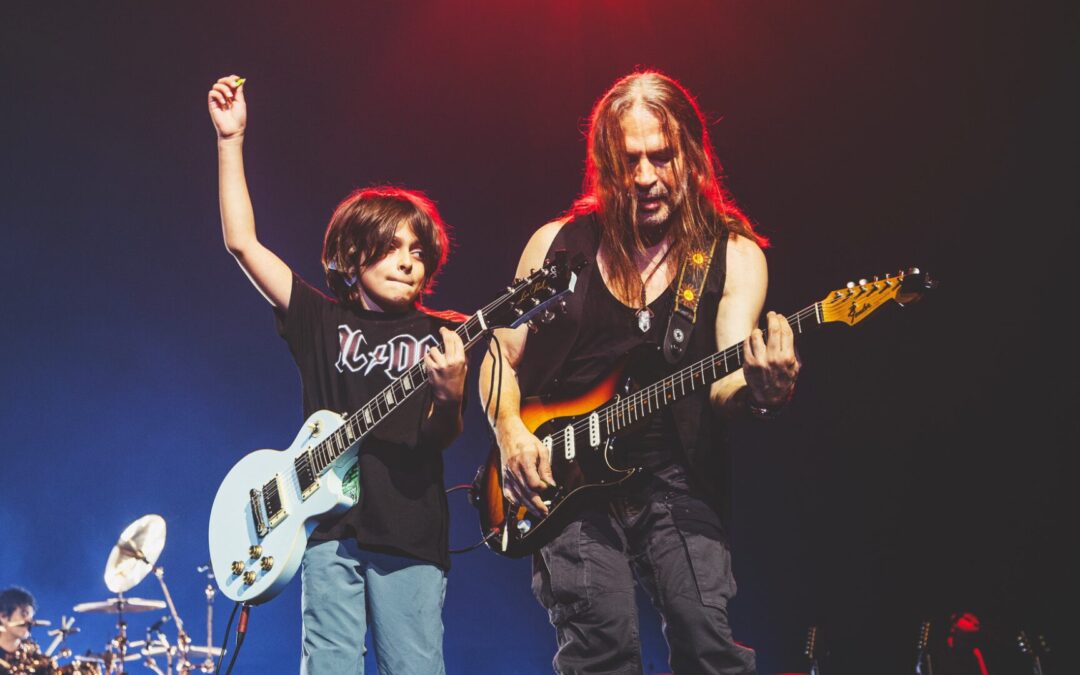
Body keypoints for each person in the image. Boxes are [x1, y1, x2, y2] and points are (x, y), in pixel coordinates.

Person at [480, 70, 800, 674]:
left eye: (663, 157)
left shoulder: (731, 253)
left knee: (706, 639)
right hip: (566, 482)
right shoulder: (556, 245)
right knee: (603, 644)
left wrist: (762, 391)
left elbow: (727, 380)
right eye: (630, 160)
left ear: (693, 157)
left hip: (675, 475)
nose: (647, 177)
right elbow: (501, 353)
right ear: (604, 163)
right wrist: (509, 431)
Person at [208, 75, 467, 674]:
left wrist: (451, 395)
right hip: (324, 529)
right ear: (354, 255)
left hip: (409, 532)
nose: (409, 259)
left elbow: (437, 437)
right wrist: (231, 141)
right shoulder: (319, 321)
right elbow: (242, 243)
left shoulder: (445, 332)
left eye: (420, 250)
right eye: (394, 245)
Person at [0, 586, 46, 675]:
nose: (30, 622)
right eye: (24, 615)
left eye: (31, 617)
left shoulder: (32, 656)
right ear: (3, 616)